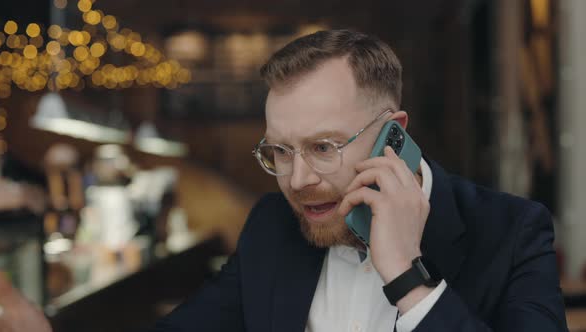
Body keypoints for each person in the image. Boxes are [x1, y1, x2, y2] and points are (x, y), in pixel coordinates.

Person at [148, 29, 568, 331]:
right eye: (279, 150)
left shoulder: (512, 231)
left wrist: (407, 277)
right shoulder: (272, 225)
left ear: (394, 134)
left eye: (323, 147)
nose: (297, 180)